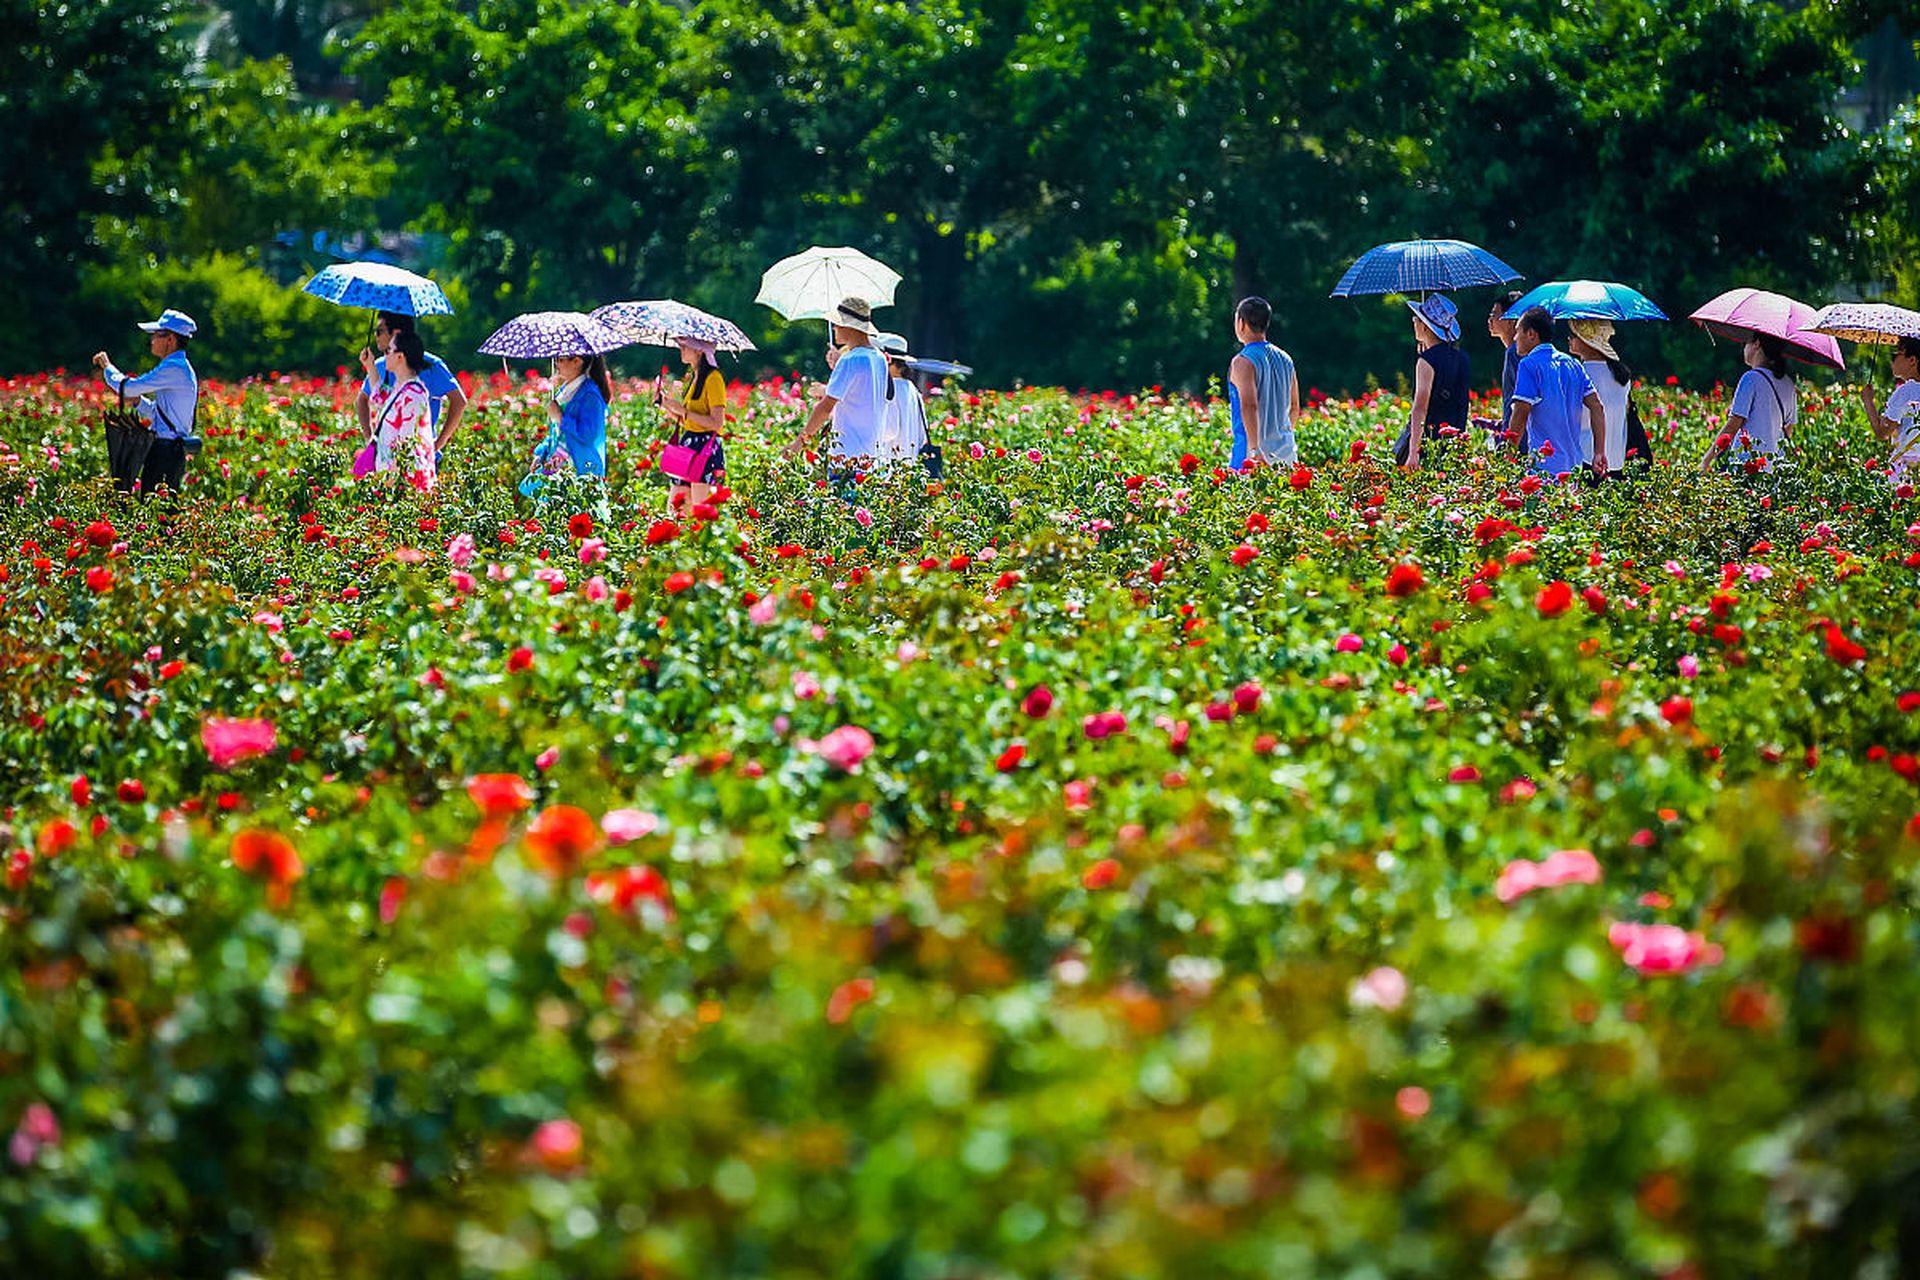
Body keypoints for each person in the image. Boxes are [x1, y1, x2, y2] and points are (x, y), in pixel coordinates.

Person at [92, 308, 200, 495]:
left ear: (170, 339)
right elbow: (160, 413)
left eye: (157, 335)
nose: (152, 340)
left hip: (165, 451)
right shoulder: (179, 366)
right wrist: (137, 402)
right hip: (168, 450)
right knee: (160, 509)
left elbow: (128, 387)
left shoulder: (173, 367)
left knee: (158, 510)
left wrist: (107, 367)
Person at [787, 297, 889, 492]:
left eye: (836, 324)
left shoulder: (850, 360)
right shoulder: (878, 357)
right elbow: (859, 393)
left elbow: (825, 408)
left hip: (848, 459)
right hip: (874, 459)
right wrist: (837, 367)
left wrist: (799, 442)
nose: (834, 329)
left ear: (848, 326)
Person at [1509, 306, 1607, 475]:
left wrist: (1508, 454)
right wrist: (1599, 452)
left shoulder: (1529, 364)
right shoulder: (1574, 364)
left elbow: (1521, 411)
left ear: (1531, 334)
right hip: (1574, 465)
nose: (1515, 337)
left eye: (1518, 331)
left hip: (1544, 467)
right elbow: (1597, 406)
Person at [356, 312, 467, 459]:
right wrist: (370, 439)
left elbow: (459, 401)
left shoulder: (425, 375)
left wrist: (438, 444)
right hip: (390, 460)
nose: (376, 336)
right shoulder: (382, 366)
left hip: (414, 463)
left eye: (379, 331)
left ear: (396, 333)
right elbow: (373, 399)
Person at [1700, 334, 1797, 472]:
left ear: (1757, 344)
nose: (1744, 348)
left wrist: (1706, 461)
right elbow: (1788, 429)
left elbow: (1732, 427)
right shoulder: (1788, 383)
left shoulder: (1751, 378)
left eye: (1745, 343)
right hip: (1773, 471)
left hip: (1746, 467)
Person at [1396, 295, 1470, 470]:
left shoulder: (1427, 361)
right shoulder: (1462, 358)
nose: (1414, 322)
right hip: (1453, 444)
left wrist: (1414, 452)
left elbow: (1420, 407)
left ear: (1425, 327)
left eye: (1416, 319)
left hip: (1429, 443)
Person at [1226, 296, 1300, 469]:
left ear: (1241, 323)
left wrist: (1255, 450)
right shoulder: (1285, 359)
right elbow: (1295, 406)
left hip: (1251, 455)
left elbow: (1249, 406)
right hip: (1286, 454)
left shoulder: (1242, 362)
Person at [656, 336, 727, 508]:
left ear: (699, 350)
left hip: (705, 450)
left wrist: (682, 410)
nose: (681, 349)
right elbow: (688, 421)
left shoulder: (713, 378)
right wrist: (665, 405)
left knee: (700, 512)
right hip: (689, 445)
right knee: (676, 509)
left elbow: (716, 423)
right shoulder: (696, 377)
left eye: (685, 346)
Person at [361, 329, 437, 489]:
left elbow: (407, 444)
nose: (385, 354)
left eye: (389, 350)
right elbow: (380, 399)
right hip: (393, 479)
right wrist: (370, 365)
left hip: (406, 484)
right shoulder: (401, 388)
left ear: (400, 356)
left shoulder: (414, 395)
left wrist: (391, 480)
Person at [1568, 319, 1632, 478]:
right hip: (1616, 459)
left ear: (1587, 340)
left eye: (1573, 335)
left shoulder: (1579, 373)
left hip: (1587, 458)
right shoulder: (1622, 376)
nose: (1569, 339)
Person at [1860, 334, 1920, 482]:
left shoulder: (1906, 391)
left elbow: (1883, 432)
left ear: (1912, 360)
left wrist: (1868, 401)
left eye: (1897, 354)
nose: (1892, 359)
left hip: (1907, 468)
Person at [550, 351, 613, 478]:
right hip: (560, 463)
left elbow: (588, 435)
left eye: (561, 360)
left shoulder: (590, 395)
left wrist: (561, 418)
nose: (557, 364)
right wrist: (540, 454)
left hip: (582, 469)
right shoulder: (564, 392)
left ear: (577, 361)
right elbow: (555, 433)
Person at [876, 332, 930, 467]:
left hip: (889, 466)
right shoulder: (912, 389)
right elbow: (922, 434)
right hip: (910, 466)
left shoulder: (889, 388)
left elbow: (889, 430)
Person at [1487, 290, 1525, 445]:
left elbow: (1519, 401)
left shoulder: (1514, 353)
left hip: (1518, 438)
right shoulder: (1516, 351)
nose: (1490, 320)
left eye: (1494, 315)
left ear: (1511, 320)